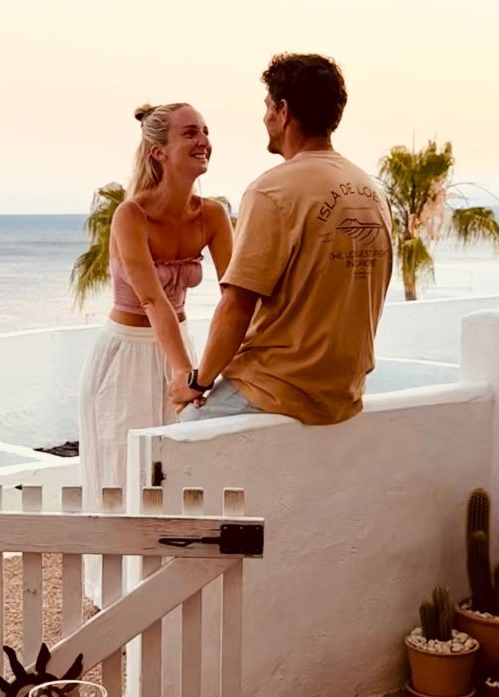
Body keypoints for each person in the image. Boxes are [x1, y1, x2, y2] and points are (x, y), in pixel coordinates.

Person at [171, 53, 393, 426]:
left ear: (283, 111)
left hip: (277, 387)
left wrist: (198, 381)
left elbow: (236, 307)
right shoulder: (370, 190)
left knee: (177, 441)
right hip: (343, 392)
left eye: (268, 107)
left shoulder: (272, 190)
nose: (265, 118)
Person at [78, 102, 233, 533]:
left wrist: (209, 368)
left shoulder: (214, 215)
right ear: (158, 152)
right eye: (189, 133)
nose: (203, 140)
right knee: (122, 474)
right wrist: (185, 371)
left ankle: (168, 588)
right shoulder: (131, 215)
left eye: (205, 130)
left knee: (179, 475)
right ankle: (114, 587)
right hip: (125, 357)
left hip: (180, 347)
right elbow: (153, 302)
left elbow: (236, 295)